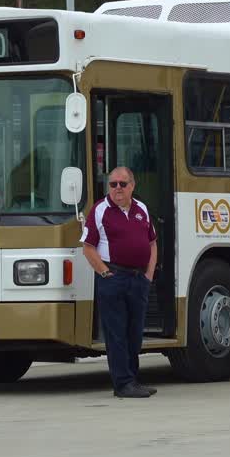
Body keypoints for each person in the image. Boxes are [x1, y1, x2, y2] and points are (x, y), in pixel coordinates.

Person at [80, 166, 159, 398]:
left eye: (122, 184)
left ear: (132, 186)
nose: (117, 189)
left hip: (138, 280)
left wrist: (149, 275)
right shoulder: (99, 210)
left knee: (134, 333)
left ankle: (133, 380)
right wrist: (105, 273)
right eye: (113, 184)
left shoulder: (141, 209)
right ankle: (122, 384)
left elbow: (152, 243)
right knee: (116, 334)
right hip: (113, 279)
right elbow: (87, 247)